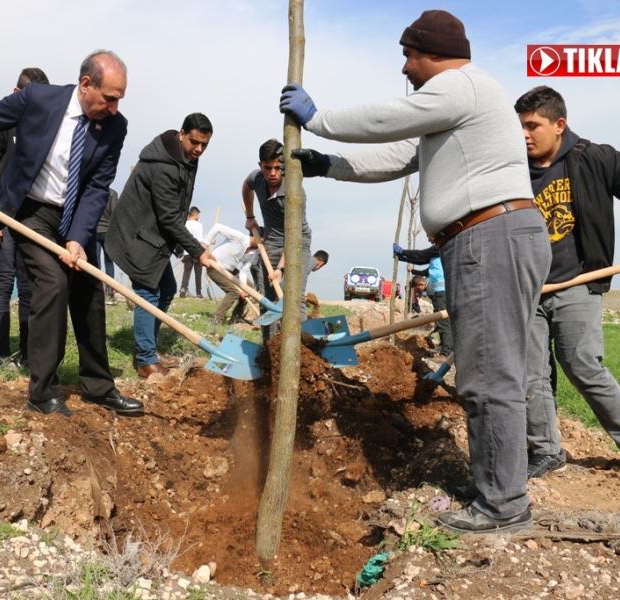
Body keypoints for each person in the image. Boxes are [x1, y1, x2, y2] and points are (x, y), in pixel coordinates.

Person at [280, 9, 551, 533]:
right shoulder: (451, 110)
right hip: (483, 239)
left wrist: (319, 117)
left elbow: (387, 119)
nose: (404, 68)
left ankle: (504, 505)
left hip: (490, 238)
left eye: (408, 55)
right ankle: (496, 484)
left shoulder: (461, 86)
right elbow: (396, 155)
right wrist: (327, 164)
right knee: (484, 370)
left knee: (490, 372)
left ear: (430, 53)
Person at [0, 50, 141, 417]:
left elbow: (98, 186)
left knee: (89, 292)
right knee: (53, 285)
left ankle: (98, 386)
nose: (115, 107)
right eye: (110, 98)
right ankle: (42, 392)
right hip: (31, 212)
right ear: (86, 84)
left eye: (120, 99)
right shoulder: (39, 99)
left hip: (74, 217)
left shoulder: (115, 127)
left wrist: (76, 237)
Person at [514, 85, 620, 485]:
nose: (525, 135)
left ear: (559, 124)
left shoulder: (593, 158)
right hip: (526, 288)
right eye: (520, 127)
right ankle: (546, 451)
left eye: (533, 126)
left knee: (582, 365)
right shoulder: (512, 169)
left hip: (576, 283)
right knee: (531, 374)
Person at [106, 113, 215, 379]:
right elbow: (168, 216)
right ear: (181, 134)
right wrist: (196, 250)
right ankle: (145, 360)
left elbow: (176, 208)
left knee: (168, 288)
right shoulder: (164, 165)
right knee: (148, 293)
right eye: (194, 142)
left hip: (153, 235)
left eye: (204, 144)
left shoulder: (187, 159)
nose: (199, 149)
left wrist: (190, 243)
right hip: (136, 234)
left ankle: (148, 349)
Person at [0, 66, 49, 371]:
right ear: (18, 93)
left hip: (30, 222)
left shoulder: (42, 130)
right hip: (0, 219)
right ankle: (1, 357)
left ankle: (30, 356)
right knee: (3, 286)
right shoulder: (0, 125)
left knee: (31, 290)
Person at [242, 138, 313, 341]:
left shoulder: (294, 192)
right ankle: (270, 349)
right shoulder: (257, 178)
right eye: (267, 168)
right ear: (260, 166)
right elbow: (246, 187)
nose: (272, 173)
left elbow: (295, 237)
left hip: (298, 242)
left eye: (277, 168)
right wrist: (250, 217)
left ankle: (302, 348)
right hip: (271, 241)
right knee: (267, 300)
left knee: (292, 297)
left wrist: (280, 269)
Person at [393, 243, 452, 356]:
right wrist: (403, 258)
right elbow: (421, 260)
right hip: (440, 291)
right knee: (441, 321)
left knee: (443, 322)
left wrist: (403, 251)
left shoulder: (439, 247)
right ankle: (445, 347)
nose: (429, 239)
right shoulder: (436, 255)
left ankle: (446, 352)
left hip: (442, 291)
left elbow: (420, 254)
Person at [203, 222, 258, 324]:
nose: (262, 245)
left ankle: (236, 317)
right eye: (262, 242)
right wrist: (206, 244)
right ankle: (217, 319)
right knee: (234, 292)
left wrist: (244, 288)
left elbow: (244, 271)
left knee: (249, 286)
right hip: (215, 266)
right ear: (256, 237)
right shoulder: (239, 237)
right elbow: (217, 227)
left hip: (230, 269)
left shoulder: (255, 251)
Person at [95, 188, 119, 304]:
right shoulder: (112, 194)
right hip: (108, 232)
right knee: (109, 262)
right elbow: (115, 213)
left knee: (96, 264)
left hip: (94, 231)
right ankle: (109, 292)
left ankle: (98, 292)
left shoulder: (95, 191)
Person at [179, 206, 204, 298]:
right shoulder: (199, 225)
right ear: (196, 215)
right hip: (197, 251)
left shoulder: (185, 224)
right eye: (198, 215)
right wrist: (208, 242)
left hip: (186, 251)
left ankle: (183, 289)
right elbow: (200, 239)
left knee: (186, 272)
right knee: (198, 273)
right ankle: (198, 293)